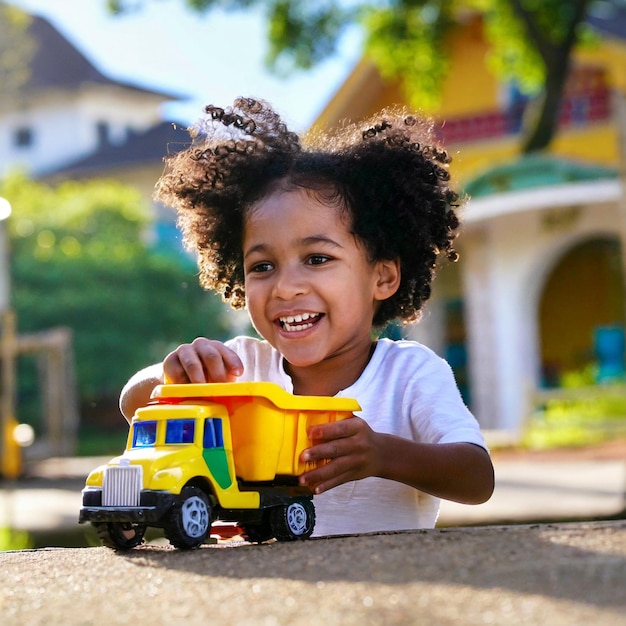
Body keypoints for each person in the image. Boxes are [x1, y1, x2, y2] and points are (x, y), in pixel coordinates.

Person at [120, 96, 494, 536]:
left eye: (316, 259)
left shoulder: (409, 374)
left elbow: (476, 478)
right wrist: (175, 377)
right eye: (262, 266)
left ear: (383, 277)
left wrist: (382, 454)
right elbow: (133, 402)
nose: (285, 286)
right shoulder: (239, 369)